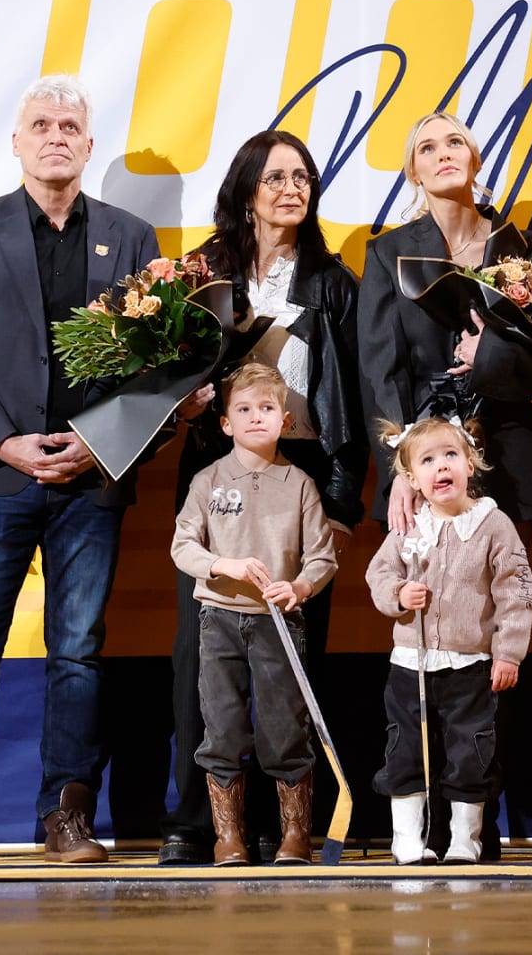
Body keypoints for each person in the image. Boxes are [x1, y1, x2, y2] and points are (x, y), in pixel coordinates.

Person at [0, 74, 161, 866]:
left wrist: (99, 444)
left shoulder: (131, 237)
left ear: (89, 146)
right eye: (41, 125)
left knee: (77, 652)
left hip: (90, 480)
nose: (56, 136)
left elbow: (153, 365)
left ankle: (67, 816)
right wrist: (5, 442)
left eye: (69, 127)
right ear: (17, 143)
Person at [156, 130, 368, 864]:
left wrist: (341, 504)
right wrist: (183, 404)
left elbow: (356, 404)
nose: (291, 188)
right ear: (247, 190)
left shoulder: (334, 282)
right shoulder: (200, 273)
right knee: (201, 662)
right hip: (216, 472)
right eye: (275, 177)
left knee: (293, 662)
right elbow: (159, 381)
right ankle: (199, 823)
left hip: (303, 476)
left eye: (302, 177)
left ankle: (290, 828)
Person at [359, 112, 532, 538]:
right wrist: (400, 468)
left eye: (454, 143)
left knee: (507, 580)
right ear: (414, 172)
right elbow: (379, 372)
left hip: (508, 450)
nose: (443, 154)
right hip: (422, 455)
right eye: (428, 148)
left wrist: (492, 355)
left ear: (474, 160)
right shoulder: (387, 253)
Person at [171, 363, 338, 865]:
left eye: (267, 408)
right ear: (226, 423)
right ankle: (228, 836)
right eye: (243, 409)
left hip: (278, 623)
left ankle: (295, 834)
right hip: (219, 619)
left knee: (285, 729)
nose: (255, 417)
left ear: (285, 421)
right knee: (222, 728)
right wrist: (224, 565)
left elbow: (323, 557)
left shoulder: (299, 483)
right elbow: (183, 546)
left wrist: (301, 586)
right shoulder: (207, 480)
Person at [365, 417, 532, 864]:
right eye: (428, 460)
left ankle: (465, 840)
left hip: (470, 667)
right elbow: (378, 573)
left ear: (470, 464)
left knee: (470, 752)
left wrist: (508, 653)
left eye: (450, 456)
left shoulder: (493, 525)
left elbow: (516, 592)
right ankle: (408, 839)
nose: (441, 466)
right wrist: (399, 594)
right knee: (406, 750)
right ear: (412, 479)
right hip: (412, 665)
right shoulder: (409, 526)